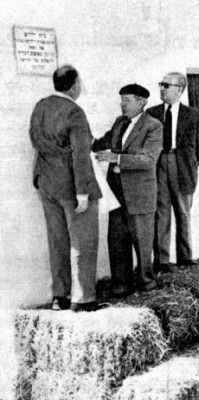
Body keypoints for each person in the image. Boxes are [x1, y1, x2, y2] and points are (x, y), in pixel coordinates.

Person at [29, 64, 105, 312]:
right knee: (83, 241)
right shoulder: (75, 112)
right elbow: (81, 156)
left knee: (57, 240)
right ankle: (83, 298)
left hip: (46, 183)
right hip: (71, 186)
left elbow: (36, 140)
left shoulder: (40, 106)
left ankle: (59, 297)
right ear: (74, 85)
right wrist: (82, 191)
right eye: (80, 82)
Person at [92, 84, 163, 297]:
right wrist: (80, 139)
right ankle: (120, 285)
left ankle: (146, 284)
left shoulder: (154, 126)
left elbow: (148, 160)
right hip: (115, 193)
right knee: (117, 241)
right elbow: (101, 142)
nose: (122, 104)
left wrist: (117, 158)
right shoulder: (119, 122)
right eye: (121, 100)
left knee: (142, 242)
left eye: (127, 100)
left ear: (141, 102)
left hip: (139, 194)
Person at [147, 72, 199, 273]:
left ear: (179, 89)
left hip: (182, 166)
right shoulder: (152, 113)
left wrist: (189, 165)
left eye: (166, 85)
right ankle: (162, 260)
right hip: (158, 163)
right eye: (161, 84)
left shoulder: (193, 114)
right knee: (161, 211)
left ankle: (185, 257)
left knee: (183, 212)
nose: (162, 88)